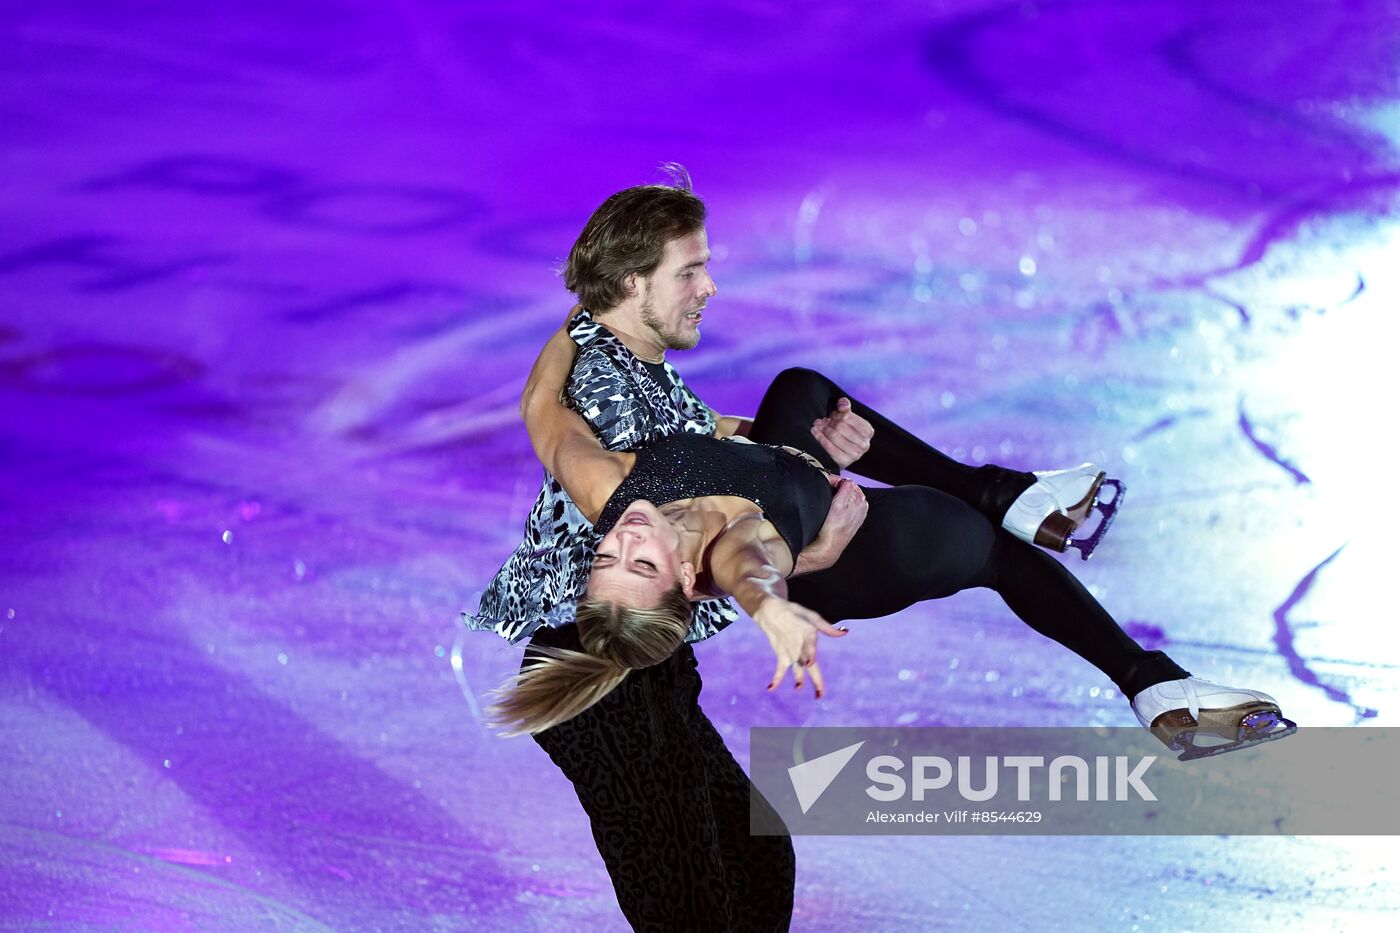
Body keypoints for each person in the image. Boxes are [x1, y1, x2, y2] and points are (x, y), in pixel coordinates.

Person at [464, 173, 1133, 931]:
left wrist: (797, 455)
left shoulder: (630, 365)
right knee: (693, 907)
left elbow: (622, 427)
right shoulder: (614, 457)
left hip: (642, 650)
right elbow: (731, 556)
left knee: (760, 856)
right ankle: (997, 501)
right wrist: (787, 581)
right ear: (634, 281)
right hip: (602, 687)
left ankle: (995, 495)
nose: (709, 287)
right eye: (691, 271)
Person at [493, 316, 1295, 762]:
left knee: (801, 394)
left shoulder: (608, 489)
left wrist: (585, 314)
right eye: (643, 563)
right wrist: (773, 605)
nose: (625, 537)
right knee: (992, 551)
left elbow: (541, 405)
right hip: (862, 560)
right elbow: (754, 565)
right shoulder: (737, 548)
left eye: (607, 554)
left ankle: (1000, 488)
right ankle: (1150, 681)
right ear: (687, 582)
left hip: (797, 472)